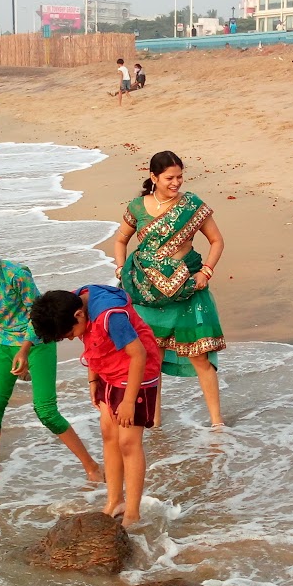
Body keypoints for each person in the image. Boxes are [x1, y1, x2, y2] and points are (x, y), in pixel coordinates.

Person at [0, 234, 104, 482]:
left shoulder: (16, 275)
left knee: (46, 411)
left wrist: (25, 349)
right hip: (3, 345)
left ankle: (91, 467)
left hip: (38, 342)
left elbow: (37, 314)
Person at [112, 151, 226, 427]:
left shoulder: (191, 205)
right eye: (169, 178)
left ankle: (217, 422)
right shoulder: (137, 207)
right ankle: (154, 422)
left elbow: (217, 241)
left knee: (199, 356)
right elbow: (120, 240)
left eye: (179, 177)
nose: (176, 183)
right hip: (147, 293)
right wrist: (121, 269)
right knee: (152, 357)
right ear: (154, 177)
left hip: (188, 290)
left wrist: (205, 272)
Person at [31, 284, 161, 528]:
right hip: (108, 372)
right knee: (109, 434)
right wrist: (93, 379)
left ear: (79, 315)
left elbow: (139, 355)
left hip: (136, 377)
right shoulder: (73, 302)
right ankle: (115, 501)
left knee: (128, 443)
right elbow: (91, 343)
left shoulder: (111, 316)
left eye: (69, 333)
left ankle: (133, 513)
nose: (71, 338)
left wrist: (129, 401)